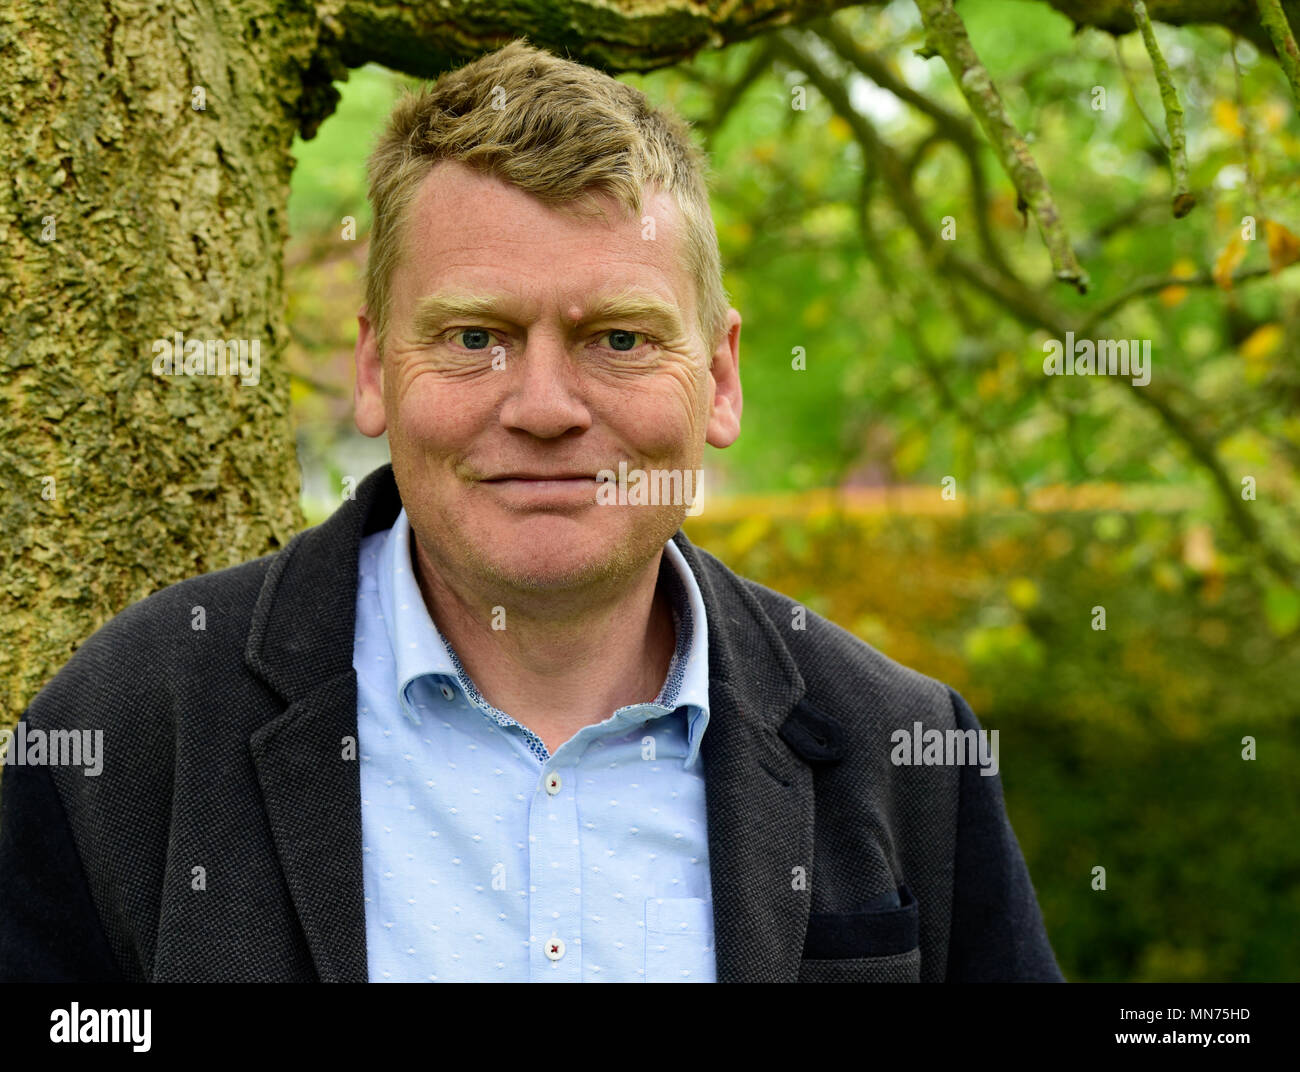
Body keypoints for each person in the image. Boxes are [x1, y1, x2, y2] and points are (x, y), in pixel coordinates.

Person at [0, 39, 1062, 982]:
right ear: (375, 366)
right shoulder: (134, 724)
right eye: (473, 337)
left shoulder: (905, 749)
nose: (545, 408)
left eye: (619, 339)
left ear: (722, 377)